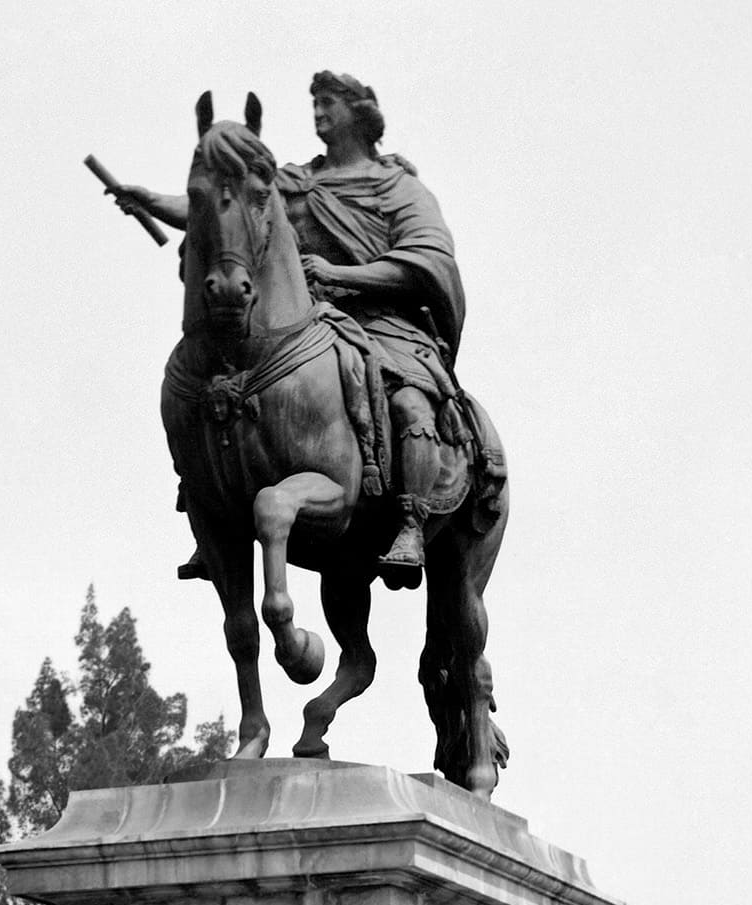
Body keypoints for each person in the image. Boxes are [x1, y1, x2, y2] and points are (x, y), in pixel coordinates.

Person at [111, 71, 479, 586]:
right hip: (308, 320)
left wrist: (341, 274)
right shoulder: (294, 180)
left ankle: (411, 524)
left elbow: (426, 260)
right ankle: (210, 504)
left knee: (410, 402)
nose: (318, 112)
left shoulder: (398, 187)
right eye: (314, 103)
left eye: (328, 103)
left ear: (360, 112)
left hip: (385, 323)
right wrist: (150, 200)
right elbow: (231, 206)